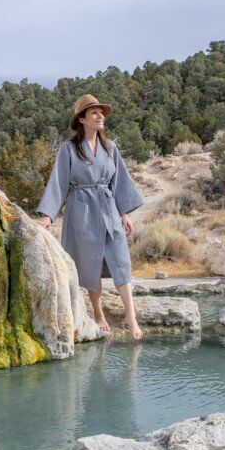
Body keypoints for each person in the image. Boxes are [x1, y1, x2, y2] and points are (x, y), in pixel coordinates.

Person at [35, 94, 145, 340]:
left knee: (120, 259)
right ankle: (98, 313)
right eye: (93, 112)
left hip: (107, 208)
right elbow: (59, 181)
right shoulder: (69, 149)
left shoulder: (110, 148)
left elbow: (119, 182)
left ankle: (131, 316)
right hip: (81, 209)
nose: (100, 116)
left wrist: (124, 213)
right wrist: (48, 216)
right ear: (82, 120)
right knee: (90, 261)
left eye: (100, 112)